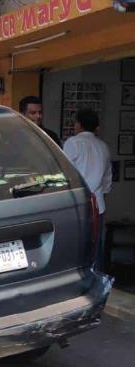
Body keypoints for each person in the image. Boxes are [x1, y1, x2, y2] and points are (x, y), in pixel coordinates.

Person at [63, 108, 112, 267]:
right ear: (95, 127)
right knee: (96, 246)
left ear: (78, 124)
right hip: (98, 205)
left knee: (77, 245)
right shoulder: (103, 146)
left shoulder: (73, 143)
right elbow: (107, 180)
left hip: (77, 204)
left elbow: (66, 174)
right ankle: (96, 280)